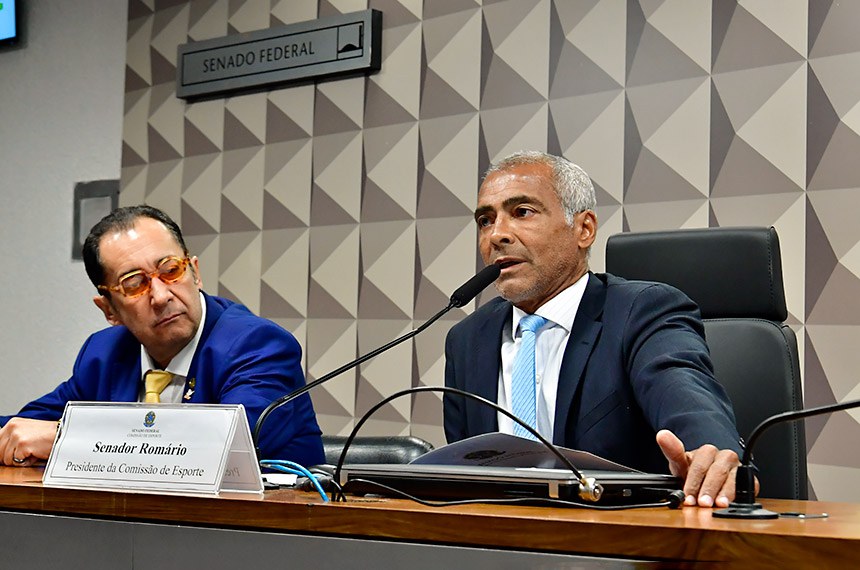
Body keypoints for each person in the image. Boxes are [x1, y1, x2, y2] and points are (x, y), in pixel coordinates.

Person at [443, 151, 752, 508]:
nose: (497, 235)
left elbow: (682, 390)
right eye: (485, 220)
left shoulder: (642, 312)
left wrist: (711, 451)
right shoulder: (467, 339)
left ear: (584, 229)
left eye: (522, 212)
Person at [0, 205, 324, 467]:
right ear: (109, 309)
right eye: (133, 283)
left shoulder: (257, 345)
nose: (160, 296)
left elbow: (221, 444)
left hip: (264, 537)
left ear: (195, 272)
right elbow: (23, 429)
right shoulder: (105, 355)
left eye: (170, 271)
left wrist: (65, 437)